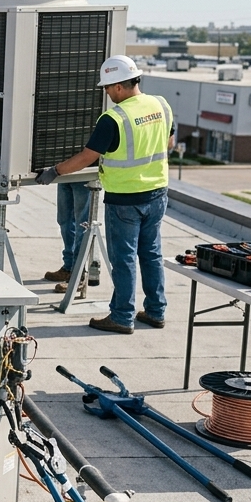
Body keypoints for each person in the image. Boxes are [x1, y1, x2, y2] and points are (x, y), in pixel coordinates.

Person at [35, 55, 174, 334]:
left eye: (108, 88)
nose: (107, 94)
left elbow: (88, 157)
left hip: (126, 199)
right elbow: (169, 142)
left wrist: (55, 171)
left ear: (119, 86)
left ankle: (122, 317)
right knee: (151, 254)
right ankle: (156, 311)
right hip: (158, 193)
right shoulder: (161, 104)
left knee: (123, 258)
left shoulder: (114, 118)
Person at [45, 181, 100, 293]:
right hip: (64, 173)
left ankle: (78, 274)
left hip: (83, 175)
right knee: (65, 220)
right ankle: (68, 267)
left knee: (82, 225)